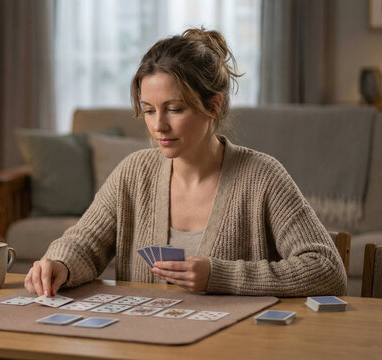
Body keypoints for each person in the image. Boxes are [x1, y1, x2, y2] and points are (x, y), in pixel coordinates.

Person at [24, 28, 347, 298]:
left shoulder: (262, 176)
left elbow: (327, 270)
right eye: (149, 110)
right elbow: (84, 244)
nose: (158, 126)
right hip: (143, 344)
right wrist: (60, 264)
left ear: (213, 107)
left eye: (174, 109)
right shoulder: (134, 172)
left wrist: (219, 275)